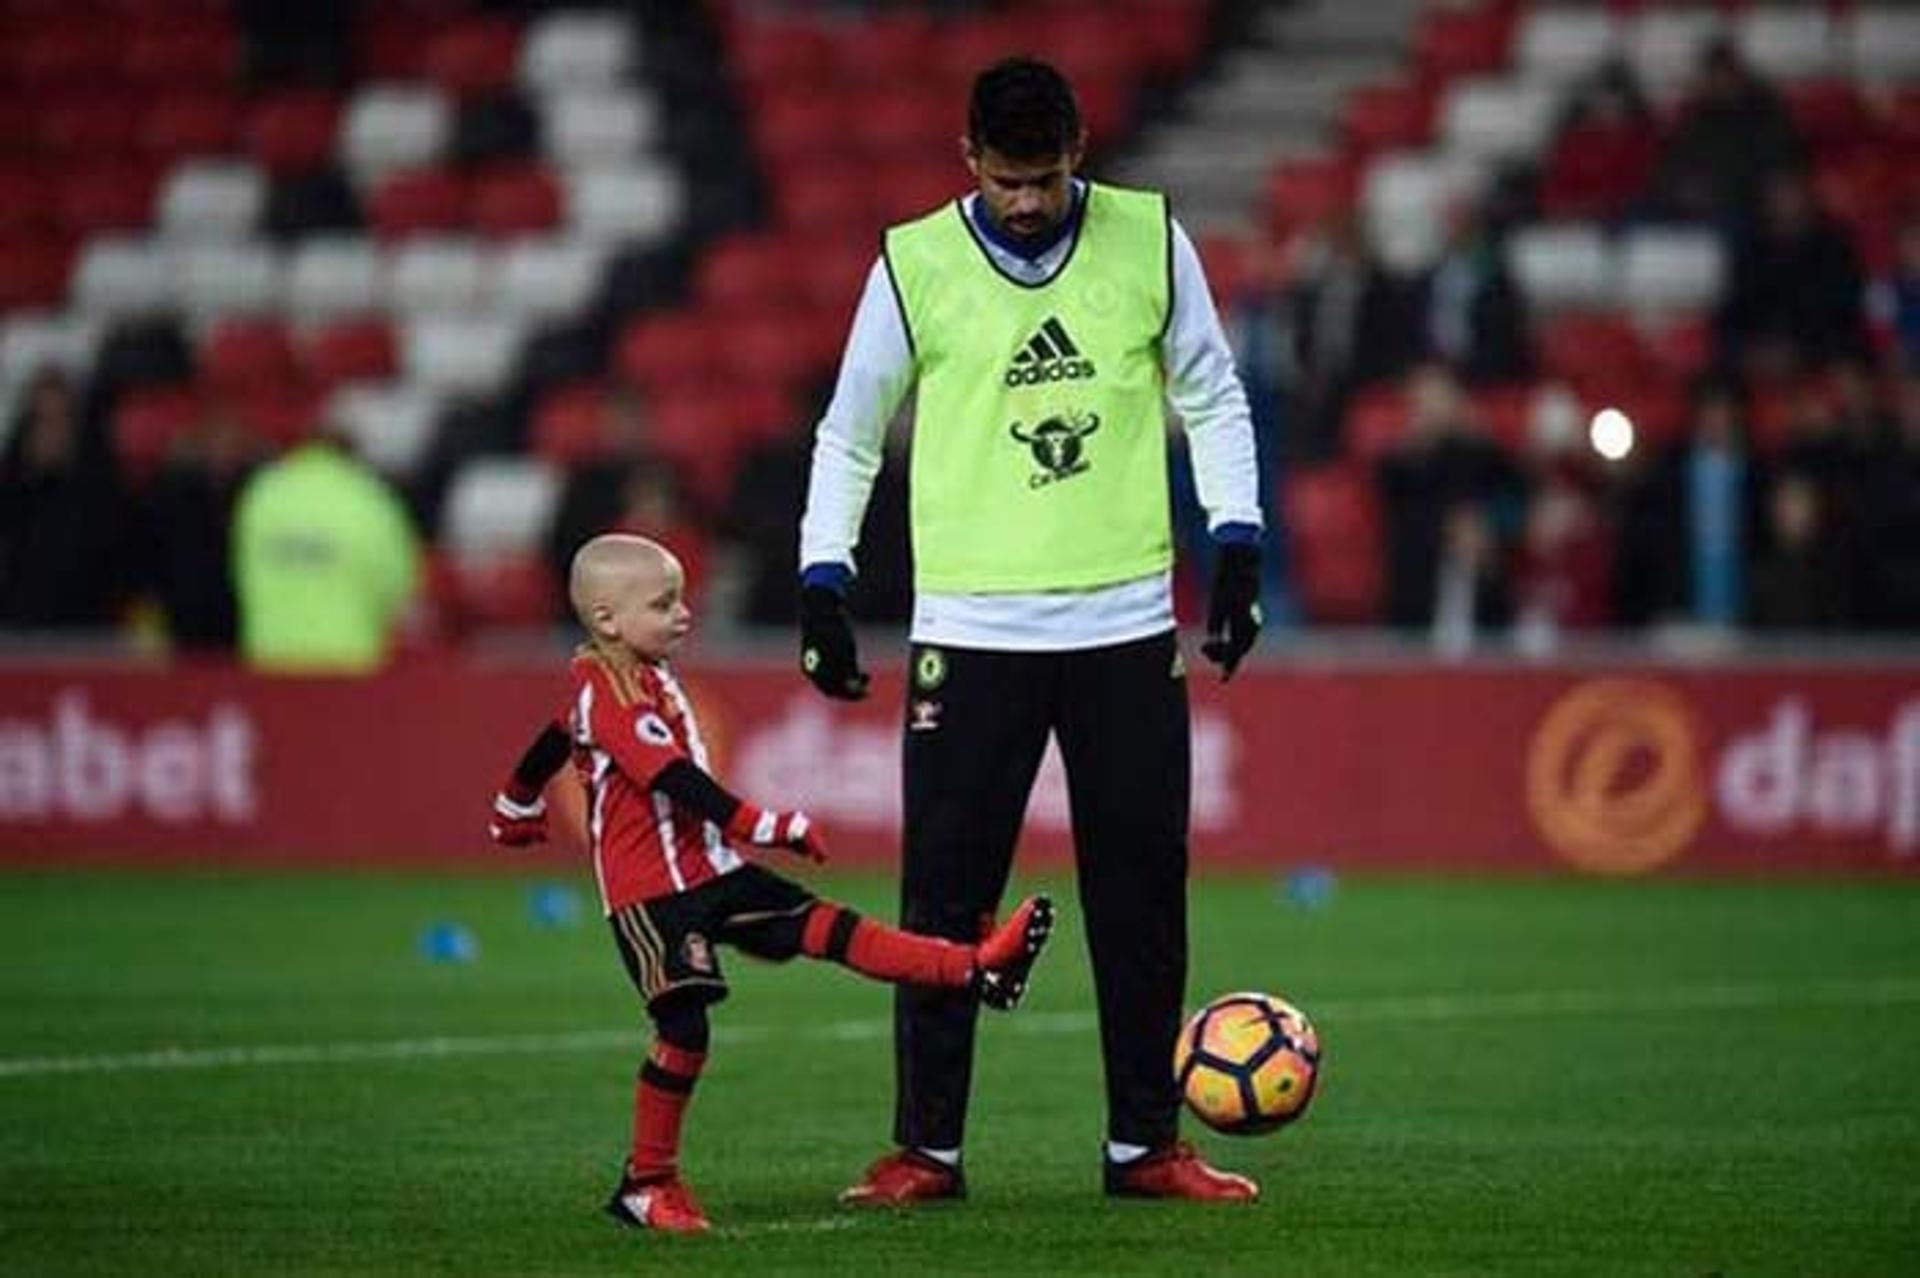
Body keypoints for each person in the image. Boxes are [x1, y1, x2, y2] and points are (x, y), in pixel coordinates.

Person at [794, 58, 1266, 1205]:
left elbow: (1211, 392)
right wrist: (823, 576)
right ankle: (927, 1150)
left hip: (1124, 623)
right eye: (1005, 180)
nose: (1023, 201)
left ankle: (1144, 1146)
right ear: (969, 160)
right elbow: (851, 431)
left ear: (1080, 152)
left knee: (1141, 890)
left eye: (1043, 179)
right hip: (971, 625)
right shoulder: (914, 263)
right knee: (945, 898)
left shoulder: (1151, 240)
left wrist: (1239, 542)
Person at [486, 534, 1055, 1232]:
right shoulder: (609, 689)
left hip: (711, 874)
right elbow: (668, 775)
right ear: (607, 620)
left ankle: (976, 968)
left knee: (832, 929)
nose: (684, 614)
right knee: (684, 1027)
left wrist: (518, 798)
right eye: (663, 604)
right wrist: (759, 821)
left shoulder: (633, 675)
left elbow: (553, 734)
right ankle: (646, 1183)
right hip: (652, 897)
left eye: (682, 599)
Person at [229, 427, 421, 672]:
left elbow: (241, 567)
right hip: (349, 656)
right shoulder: (370, 497)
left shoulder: (263, 492)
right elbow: (399, 583)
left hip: (269, 652)